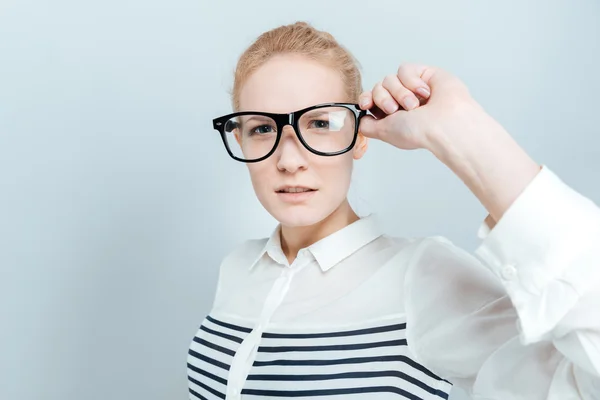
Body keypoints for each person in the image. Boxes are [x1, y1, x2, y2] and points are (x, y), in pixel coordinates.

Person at [187, 21, 600, 400]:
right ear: (240, 141)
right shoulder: (238, 268)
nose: (290, 159)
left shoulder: (420, 276)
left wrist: (462, 130)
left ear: (361, 138)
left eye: (321, 123)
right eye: (262, 128)